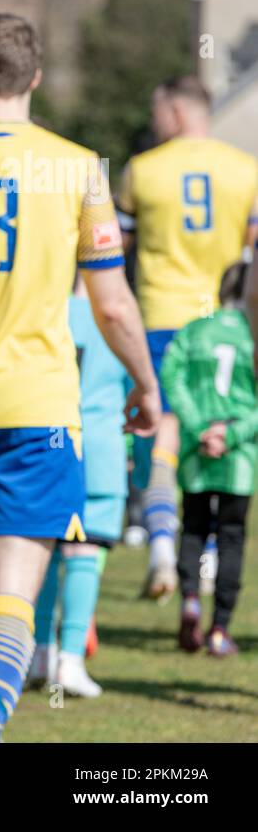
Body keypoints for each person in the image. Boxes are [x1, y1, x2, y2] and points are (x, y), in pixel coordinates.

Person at [0, 14, 158, 742]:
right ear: (34, 78)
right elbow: (113, 301)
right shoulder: (79, 166)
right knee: (12, 592)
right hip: (36, 405)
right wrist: (144, 384)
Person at [118, 76, 258, 600]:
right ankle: (207, 560)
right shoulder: (245, 169)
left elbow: (117, 248)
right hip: (224, 323)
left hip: (160, 316)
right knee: (221, 435)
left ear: (176, 113)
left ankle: (159, 544)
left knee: (164, 437)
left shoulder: (143, 169)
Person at [30, 275, 133, 699]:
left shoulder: (45, 311)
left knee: (45, 551)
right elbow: (133, 390)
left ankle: (38, 651)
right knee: (84, 553)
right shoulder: (119, 318)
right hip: (101, 446)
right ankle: (70, 659)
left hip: (50, 442)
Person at [160, 261, 255, 658]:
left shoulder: (195, 330)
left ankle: (190, 601)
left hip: (197, 452)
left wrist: (199, 426)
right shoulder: (252, 336)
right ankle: (219, 629)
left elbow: (170, 375)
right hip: (239, 456)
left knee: (195, 528)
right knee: (231, 537)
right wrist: (229, 433)